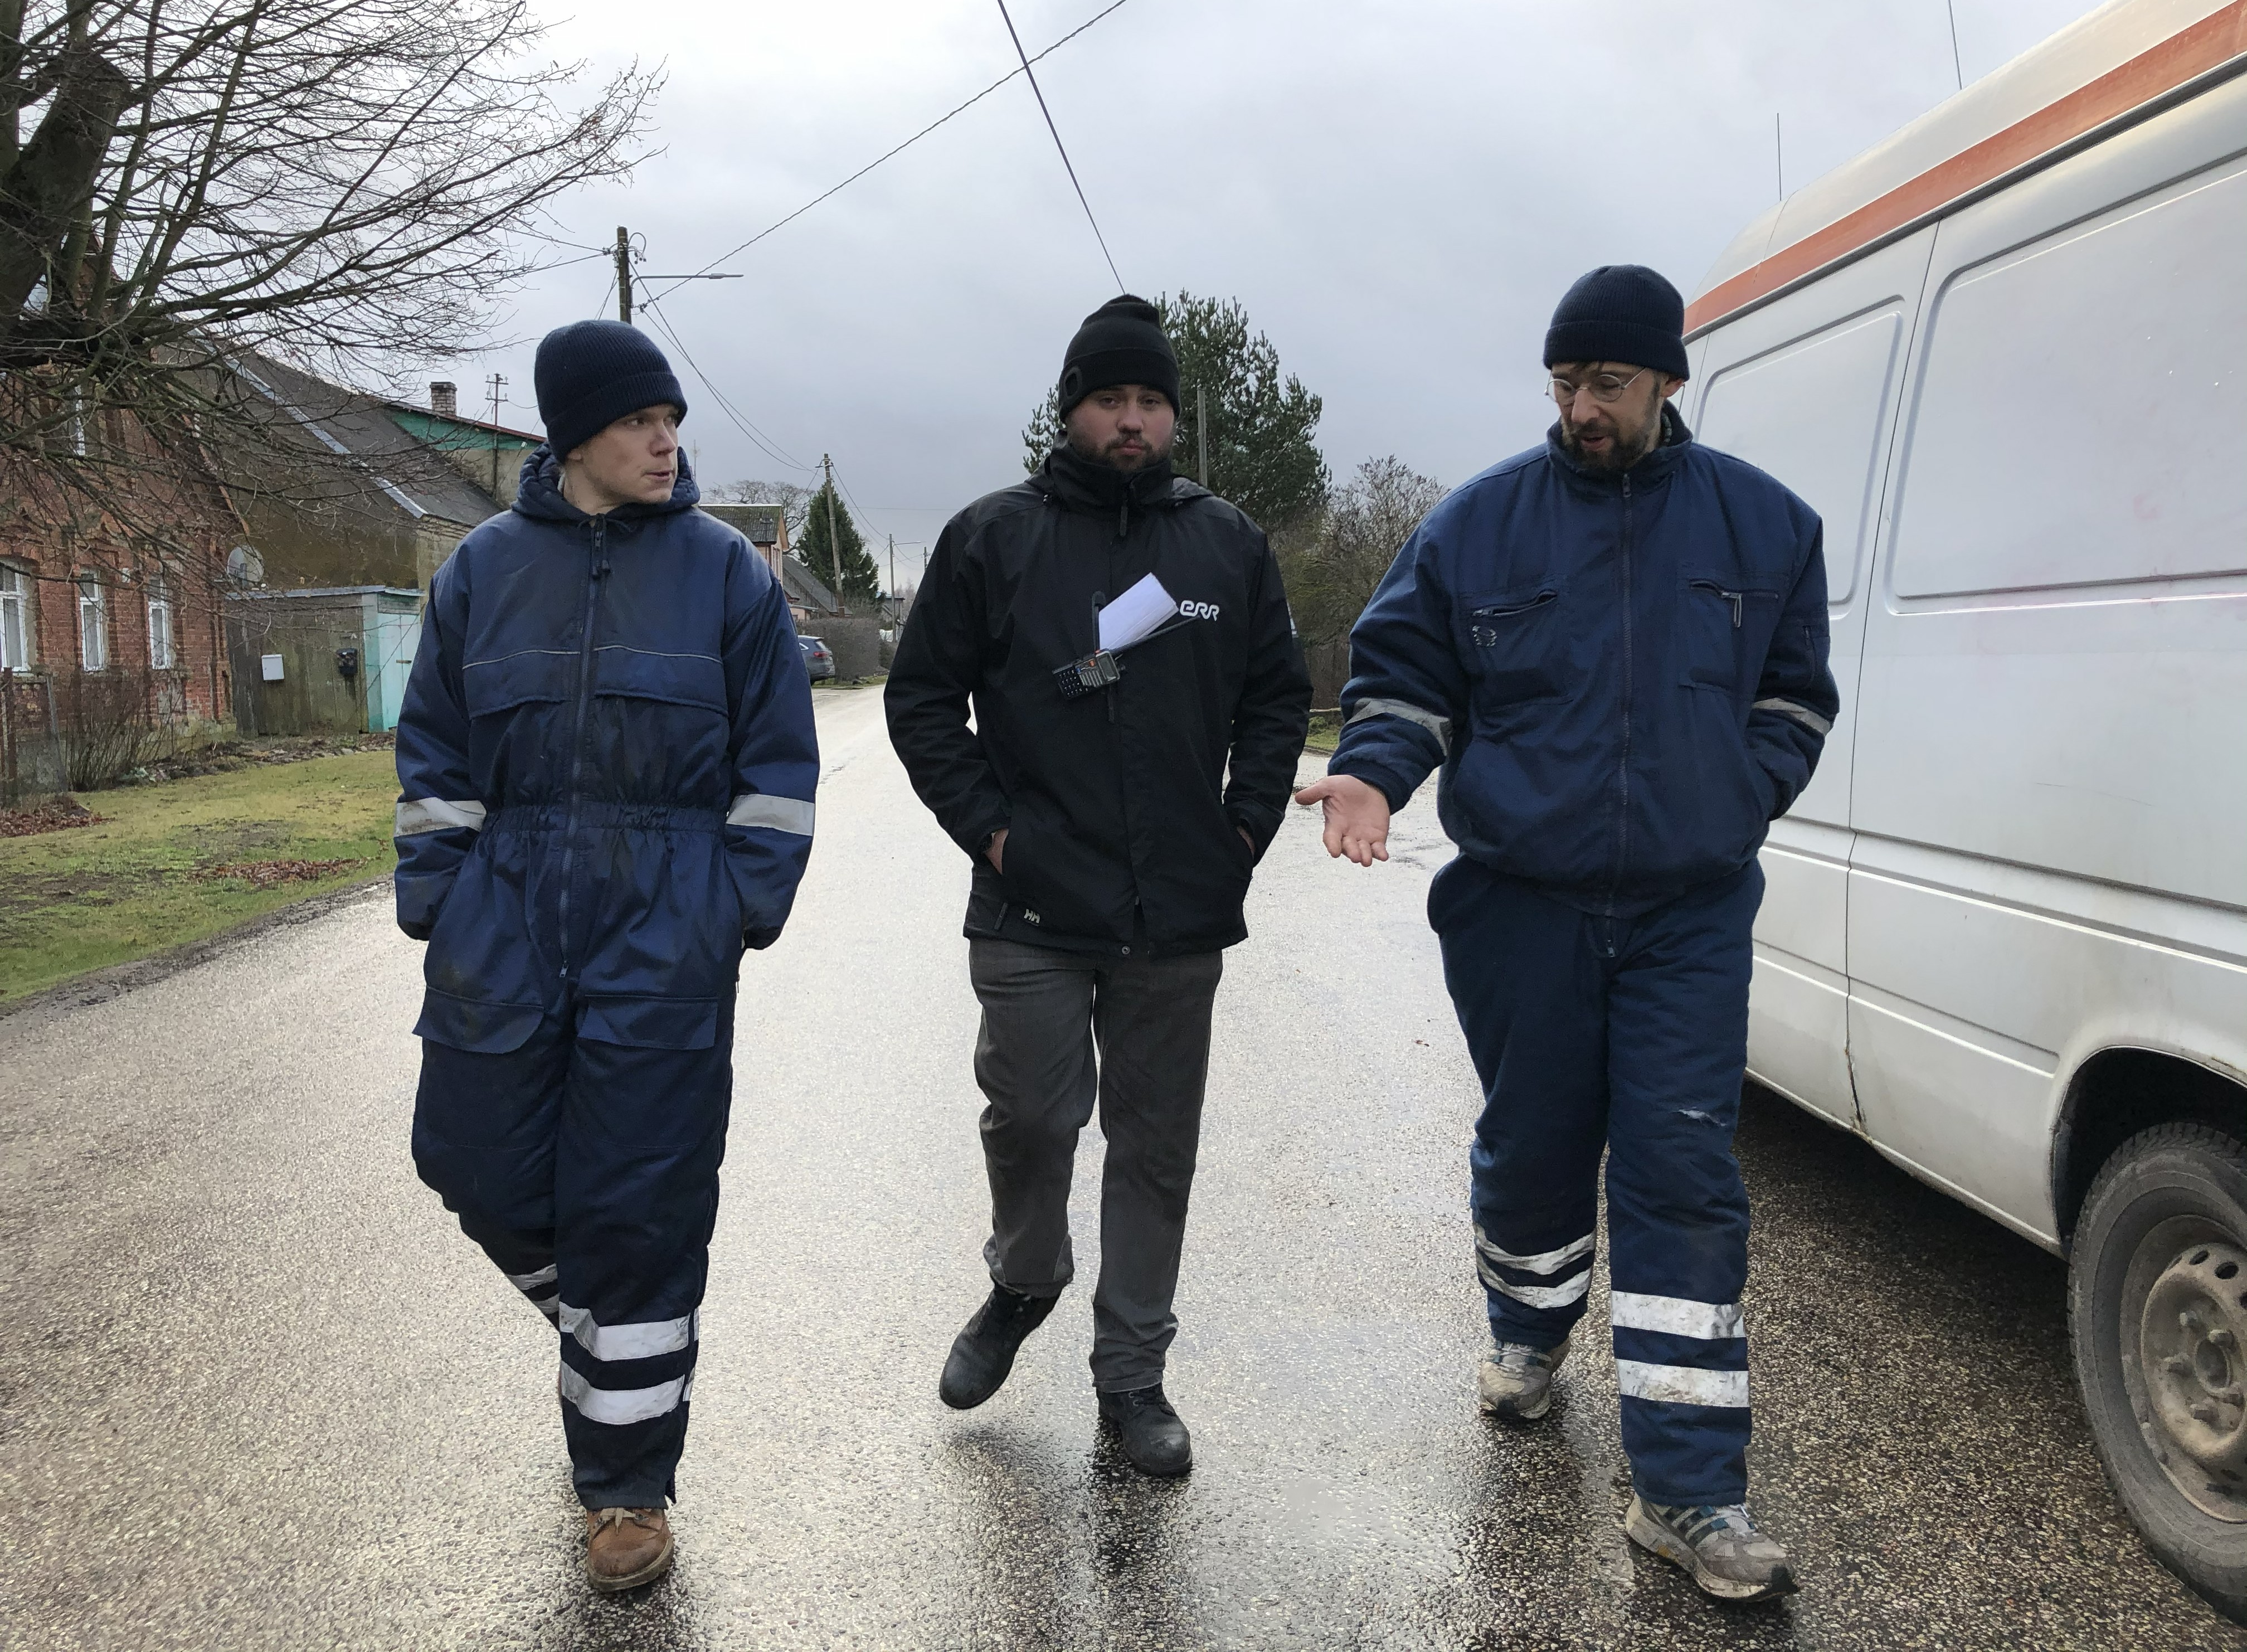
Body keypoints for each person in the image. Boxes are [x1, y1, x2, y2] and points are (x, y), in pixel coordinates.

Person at [1295, 266, 1835, 1601]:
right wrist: (1370, 769)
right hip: (1518, 908)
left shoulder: (1769, 528)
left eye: (1605, 383)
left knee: (1682, 1173)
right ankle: (1527, 1333)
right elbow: (1403, 676)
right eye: (1564, 385)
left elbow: (1796, 704)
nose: (1581, 409)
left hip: (1688, 914)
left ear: (1665, 382)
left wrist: (1733, 799)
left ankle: (1690, 1494)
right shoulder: (1480, 526)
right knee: (1535, 1145)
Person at [393, 319, 819, 1591]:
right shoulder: (479, 571)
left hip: (666, 928)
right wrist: (442, 898)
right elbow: (436, 755)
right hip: (504, 922)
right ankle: (610, 1349)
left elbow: (778, 769)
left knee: (636, 1205)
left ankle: (625, 1490)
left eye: (670, 420)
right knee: (465, 1157)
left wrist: (730, 906)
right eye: (641, 421)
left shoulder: (727, 577)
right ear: (575, 432)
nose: (666, 440)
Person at [885, 294, 1311, 1477]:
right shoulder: (995, 539)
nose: (1131, 422)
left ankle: (1132, 1378)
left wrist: (1242, 829)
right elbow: (921, 702)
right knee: (1029, 1121)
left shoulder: (1225, 543)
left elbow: (1279, 698)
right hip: (1031, 905)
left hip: (1178, 913)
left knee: (1155, 1145)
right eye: (1109, 400)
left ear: (1173, 415)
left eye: (1150, 403)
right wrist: (994, 835)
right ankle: (1024, 1281)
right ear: (1070, 408)